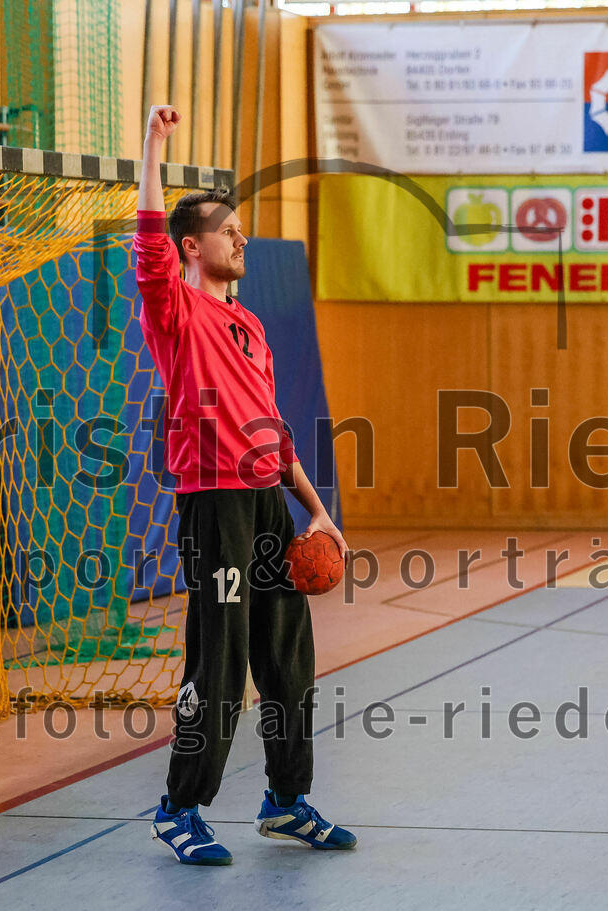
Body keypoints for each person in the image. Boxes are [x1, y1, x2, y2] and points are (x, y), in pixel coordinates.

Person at [135, 104, 356, 866]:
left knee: (288, 659)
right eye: (228, 230)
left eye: (241, 229)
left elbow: (274, 430)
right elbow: (149, 239)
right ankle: (179, 807)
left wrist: (319, 513)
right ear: (192, 247)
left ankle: (286, 801)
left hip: (266, 501)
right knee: (221, 663)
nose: (242, 238)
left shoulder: (253, 327)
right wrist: (153, 142)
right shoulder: (176, 310)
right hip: (214, 502)